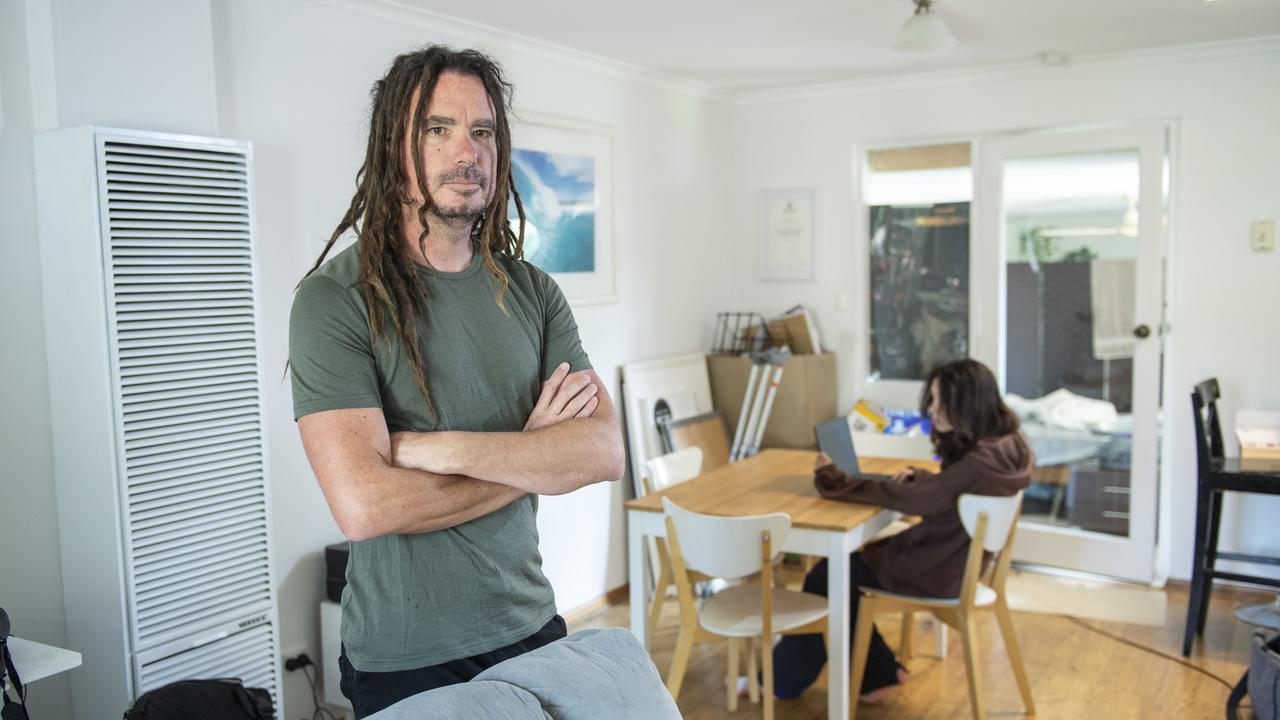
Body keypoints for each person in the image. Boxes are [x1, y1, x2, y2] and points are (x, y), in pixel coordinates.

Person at [287, 46, 625, 718]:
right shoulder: (337, 300)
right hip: (408, 656)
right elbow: (367, 508)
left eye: (482, 132)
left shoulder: (532, 291)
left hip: (530, 623)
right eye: (437, 129)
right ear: (394, 147)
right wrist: (530, 454)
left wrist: (436, 448)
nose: (464, 152)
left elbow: (603, 453)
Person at [772, 358, 1033, 702]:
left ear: (968, 405)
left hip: (938, 568)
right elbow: (949, 494)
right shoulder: (1010, 444)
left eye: (942, 401)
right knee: (845, 573)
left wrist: (833, 479)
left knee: (829, 576)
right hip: (962, 563)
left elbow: (909, 499)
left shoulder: (974, 465)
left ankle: (779, 683)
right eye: (932, 399)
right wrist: (925, 481)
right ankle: (876, 674)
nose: (932, 410)